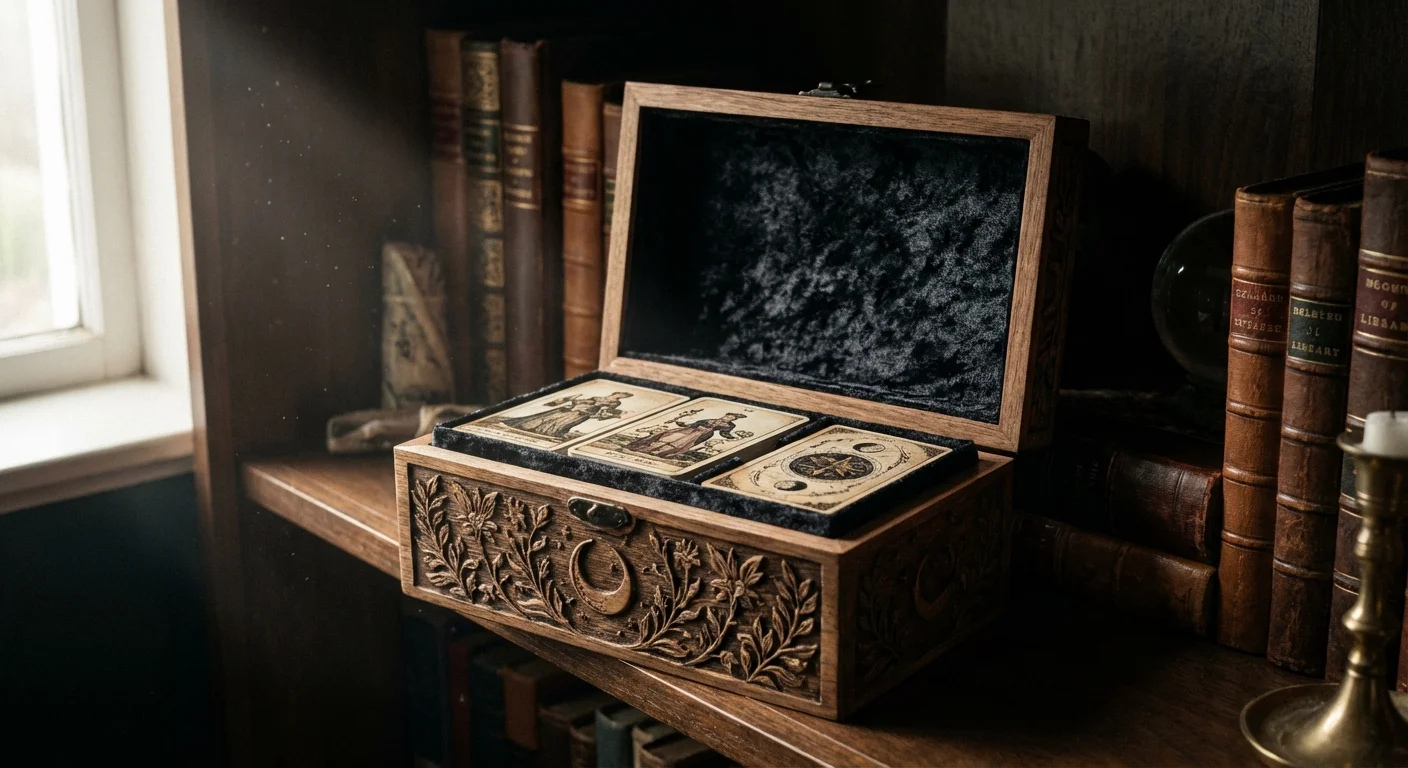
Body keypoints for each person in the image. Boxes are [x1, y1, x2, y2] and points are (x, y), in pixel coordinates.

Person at [497, 392, 633, 439]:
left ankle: (548, 433)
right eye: (620, 394)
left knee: (562, 423)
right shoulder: (598, 396)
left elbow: (603, 410)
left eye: (623, 396)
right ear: (616, 393)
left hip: (583, 413)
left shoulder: (615, 402)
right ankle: (526, 427)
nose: (620, 396)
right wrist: (574, 401)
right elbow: (584, 400)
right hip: (573, 408)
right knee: (548, 418)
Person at [624, 412, 747, 458]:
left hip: (701, 434)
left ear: (733, 420)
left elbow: (725, 433)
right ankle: (644, 449)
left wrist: (736, 437)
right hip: (689, 429)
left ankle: (657, 452)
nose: (728, 418)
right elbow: (694, 423)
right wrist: (681, 422)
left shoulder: (729, 426)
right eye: (728, 416)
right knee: (667, 437)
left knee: (679, 443)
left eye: (731, 418)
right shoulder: (710, 419)